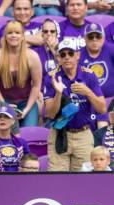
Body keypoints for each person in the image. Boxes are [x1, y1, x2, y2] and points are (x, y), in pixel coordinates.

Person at [44, 39, 106, 171]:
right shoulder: (52, 77)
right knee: (57, 181)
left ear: (77, 55)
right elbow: (50, 114)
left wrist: (87, 92)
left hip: (83, 134)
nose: (67, 57)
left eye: (70, 53)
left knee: (84, 182)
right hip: (59, 134)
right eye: (63, 54)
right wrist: (58, 94)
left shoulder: (89, 75)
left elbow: (102, 109)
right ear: (58, 58)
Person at [0, 20, 42, 127]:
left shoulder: (32, 56)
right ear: (5, 37)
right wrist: (4, 104)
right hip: (3, 101)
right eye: (10, 33)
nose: (13, 35)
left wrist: (27, 109)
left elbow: (36, 85)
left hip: (27, 102)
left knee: (29, 131)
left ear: (23, 36)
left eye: (17, 33)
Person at [80, 23, 113, 99]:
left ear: (103, 38)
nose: (94, 39)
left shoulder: (111, 50)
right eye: (90, 37)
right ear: (84, 39)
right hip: (87, 101)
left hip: (112, 100)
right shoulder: (78, 55)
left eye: (98, 36)